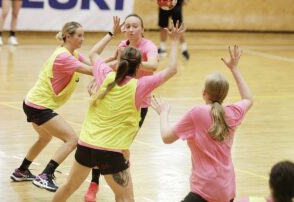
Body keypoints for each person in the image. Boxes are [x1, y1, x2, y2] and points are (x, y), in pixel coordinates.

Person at [52, 17, 186, 202]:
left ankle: (93, 185)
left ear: (119, 61)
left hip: (85, 146)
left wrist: (110, 34)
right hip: (111, 152)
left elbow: (93, 53)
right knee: (126, 199)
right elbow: (172, 70)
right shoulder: (141, 86)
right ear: (139, 66)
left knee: (68, 188)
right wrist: (175, 41)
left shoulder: (105, 75)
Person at [151, 45, 254, 202]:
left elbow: (166, 137)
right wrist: (235, 69)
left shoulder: (197, 113)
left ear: (204, 93)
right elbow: (248, 99)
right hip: (228, 190)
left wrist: (163, 113)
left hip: (204, 190)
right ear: (225, 94)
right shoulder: (233, 112)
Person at [10, 22, 93, 192]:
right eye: (79, 35)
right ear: (68, 37)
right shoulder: (65, 57)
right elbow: (93, 70)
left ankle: (22, 171)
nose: (82, 39)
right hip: (39, 106)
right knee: (72, 140)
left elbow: (97, 63)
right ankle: (45, 175)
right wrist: (123, 67)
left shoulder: (72, 53)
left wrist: (118, 57)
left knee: (44, 138)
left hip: (31, 102)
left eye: (83, 35)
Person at [84, 14, 159, 202]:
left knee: (122, 146)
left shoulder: (148, 46)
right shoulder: (122, 46)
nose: (131, 29)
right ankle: (94, 184)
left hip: (138, 105)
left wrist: (132, 61)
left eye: (135, 26)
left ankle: (122, 175)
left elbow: (153, 66)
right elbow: (117, 66)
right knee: (103, 142)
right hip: (117, 102)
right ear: (123, 29)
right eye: (128, 26)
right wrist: (97, 76)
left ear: (142, 29)